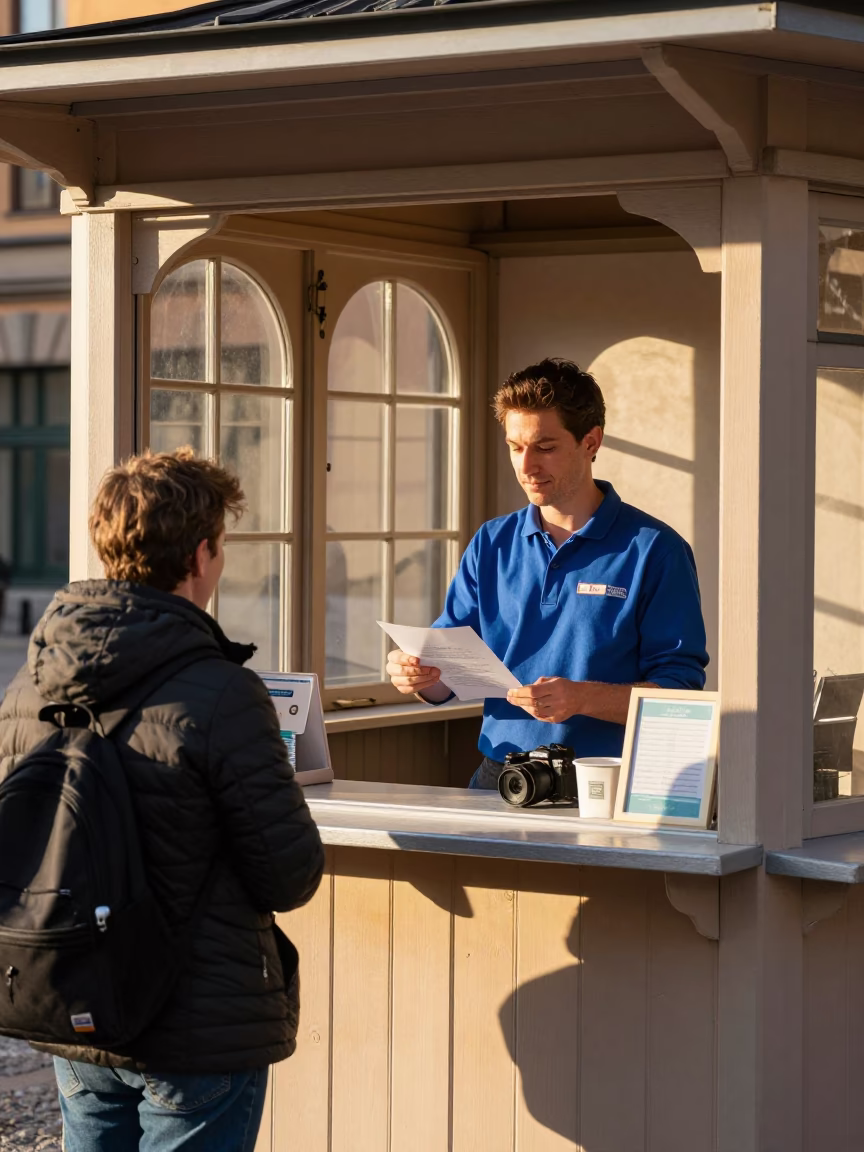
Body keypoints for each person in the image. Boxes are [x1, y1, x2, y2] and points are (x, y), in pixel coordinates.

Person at [0, 448, 324, 1151]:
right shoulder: (223, 692)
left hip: (73, 1000)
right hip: (196, 1024)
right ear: (202, 553)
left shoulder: (28, 686)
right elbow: (289, 874)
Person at [387, 358, 709, 789]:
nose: (527, 466)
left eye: (545, 447)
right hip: (501, 779)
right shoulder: (491, 542)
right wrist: (421, 676)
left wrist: (581, 698)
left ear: (591, 442)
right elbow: (449, 670)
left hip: (606, 785)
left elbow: (682, 695)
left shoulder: (655, 550)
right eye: (515, 447)